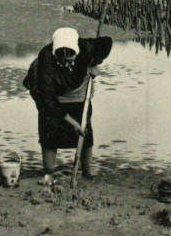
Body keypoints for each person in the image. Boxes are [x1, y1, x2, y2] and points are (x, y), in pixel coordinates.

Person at [24, 27, 113, 185]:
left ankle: (86, 170)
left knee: (85, 130)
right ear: (55, 55)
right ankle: (49, 173)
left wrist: (95, 62)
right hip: (48, 89)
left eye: (70, 61)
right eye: (61, 61)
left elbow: (107, 43)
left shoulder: (86, 48)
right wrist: (72, 123)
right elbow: (49, 99)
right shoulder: (46, 58)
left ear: (77, 53)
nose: (65, 65)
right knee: (49, 129)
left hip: (77, 87)